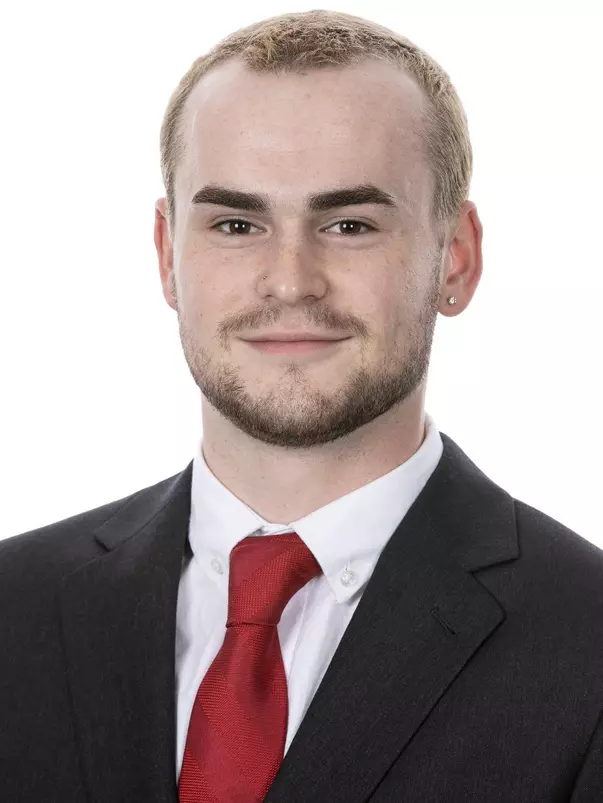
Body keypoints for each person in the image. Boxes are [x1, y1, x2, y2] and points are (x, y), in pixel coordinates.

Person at [1, 8, 602, 802]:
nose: (289, 280)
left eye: (349, 223)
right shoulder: (15, 611)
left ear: (454, 257)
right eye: (237, 222)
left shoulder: (585, 643)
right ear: (166, 255)